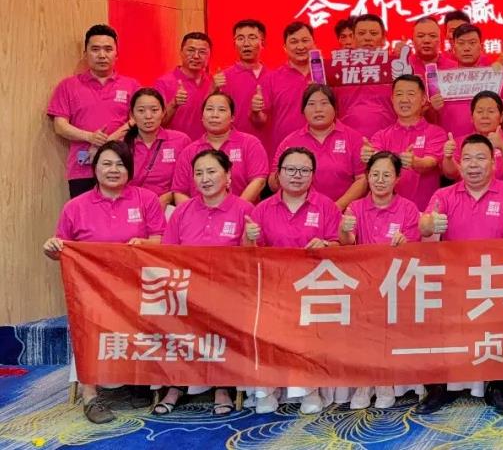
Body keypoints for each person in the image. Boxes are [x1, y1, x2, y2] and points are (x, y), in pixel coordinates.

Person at [43, 141, 163, 423]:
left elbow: (162, 240)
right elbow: (62, 249)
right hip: (91, 290)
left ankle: (138, 381)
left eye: (120, 164)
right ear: (94, 169)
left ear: (129, 169)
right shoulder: (75, 207)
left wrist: (144, 244)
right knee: (88, 323)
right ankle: (90, 396)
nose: (113, 170)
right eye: (106, 164)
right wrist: (51, 248)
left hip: (137, 285)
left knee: (150, 314)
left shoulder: (146, 199)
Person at [416, 135, 503, 416]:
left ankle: (499, 388)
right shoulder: (443, 196)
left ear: (493, 163)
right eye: (466, 159)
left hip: (496, 280)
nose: (473, 165)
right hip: (453, 281)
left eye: (480, 158)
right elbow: (426, 231)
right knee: (431, 316)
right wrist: (429, 227)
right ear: (459, 163)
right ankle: (438, 389)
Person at [154, 149, 252, 417]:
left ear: (228, 176)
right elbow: (168, 255)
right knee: (172, 318)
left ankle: (222, 387)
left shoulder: (244, 210)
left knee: (223, 318)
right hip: (188, 291)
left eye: (211, 172)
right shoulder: (183, 211)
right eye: (199, 173)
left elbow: (251, 258)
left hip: (230, 292)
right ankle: (175, 386)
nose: (205, 178)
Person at [245, 147, 342, 415]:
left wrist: (326, 245)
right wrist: (249, 238)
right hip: (272, 287)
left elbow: (340, 246)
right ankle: (266, 391)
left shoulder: (326, 207)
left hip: (313, 287)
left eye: (304, 170)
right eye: (290, 169)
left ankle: (310, 390)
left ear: (313, 175)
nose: (297, 175)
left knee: (308, 337)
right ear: (278, 174)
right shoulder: (262, 209)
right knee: (267, 333)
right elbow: (249, 253)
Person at [339, 150, 421, 410]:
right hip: (363, 282)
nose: (380, 180)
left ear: (397, 178)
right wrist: (344, 230)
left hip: (396, 283)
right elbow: (347, 243)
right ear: (367, 177)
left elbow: (414, 252)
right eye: (375, 174)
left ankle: (385, 382)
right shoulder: (355, 208)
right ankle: (365, 382)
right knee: (364, 324)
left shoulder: (408, 209)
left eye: (387, 175)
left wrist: (405, 243)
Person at [48, 24, 140, 197]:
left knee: (121, 212)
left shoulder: (131, 85)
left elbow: (137, 120)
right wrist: (90, 137)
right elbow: (60, 126)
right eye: (95, 49)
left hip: (120, 166)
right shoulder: (68, 86)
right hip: (83, 169)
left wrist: (109, 141)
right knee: (83, 213)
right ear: (85, 54)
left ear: (116, 54)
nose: (102, 55)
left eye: (108, 49)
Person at [270, 84, 366, 210]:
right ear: (303, 110)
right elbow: (273, 184)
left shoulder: (353, 138)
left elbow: (362, 179)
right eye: (311, 104)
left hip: (344, 212)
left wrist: (336, 208)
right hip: (300, 212)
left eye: (324, 103)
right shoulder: (289, 142)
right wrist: (284, 172)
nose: (318, 109)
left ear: (335, 108)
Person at [366, 74, 448, 211]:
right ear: (392, 99)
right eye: (399, 94)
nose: (404, 99)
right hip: (386, 213)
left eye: (411, 94)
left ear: (423, 99)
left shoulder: (436, 133)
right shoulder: (381, 136)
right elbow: (374, 158)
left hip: (424, 213)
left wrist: (415, 162)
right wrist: (367, 156)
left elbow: (430, 162)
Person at [172, 92, 268, 205]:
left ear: (232, 117)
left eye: (221, 110)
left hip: (242, 213)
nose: (214, 115)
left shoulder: (250, 143)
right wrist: (196, 213)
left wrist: (235, 209)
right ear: (202, 117)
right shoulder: (189, 151)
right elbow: (179, 192)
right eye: (209, 109)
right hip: (199, 215)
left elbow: (258, 181)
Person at [254, 21, 317, 154]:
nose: (300, 46)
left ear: (314, 43)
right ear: (285, 47)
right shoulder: (272, 78)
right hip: (286, 151)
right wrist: (255, 111)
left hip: (322, 149)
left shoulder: (326, 74)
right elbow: (260, 121)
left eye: (305, 40)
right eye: (294, 42)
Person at [124, 88, 190, 208]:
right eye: (141, 111)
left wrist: (168, 197)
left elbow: (187, 181)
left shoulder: (181, 141)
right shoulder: (122, 144)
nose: (148, 116)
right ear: (132, 115)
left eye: (154, 110)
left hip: (168, 207)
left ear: (163, 112)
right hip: (131, 206)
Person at [213, 19, 271, 151]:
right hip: (233, 149)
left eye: (252, 38)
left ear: (263, 42)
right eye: (240, 38)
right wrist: (213, 89)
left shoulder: (274, 76)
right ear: (234, 44)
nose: (246, 44)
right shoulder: (223, 78)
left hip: (268, 147)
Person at [441, 92, 503, 182]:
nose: (485, 116)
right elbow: (451, 174)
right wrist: (448, 158)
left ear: (501, 117)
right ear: (472, 117)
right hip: (467, 191)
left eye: (491, 111)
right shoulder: (460, 142)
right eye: (479, 112)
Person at [337, 14, 397, 138]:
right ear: (353, 38)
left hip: (389, 140)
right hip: (347, 141)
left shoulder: (396, 67)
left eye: (373, 33)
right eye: (362, 33)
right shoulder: (337, 70)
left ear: (383, 39)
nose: (367, 38)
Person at [427, 23, 492, 139]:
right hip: (450, 144)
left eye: (472, 43)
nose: (467, 48)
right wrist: (432, 108)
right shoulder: (440, 80)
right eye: (461, 43)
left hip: (484, 144)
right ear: (453, 47)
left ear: (481, 47)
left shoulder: (492, 78)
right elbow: (429, 120)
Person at [156, 32, 213, 142]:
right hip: (175, 146)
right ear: (181, 52)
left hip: (207, 147)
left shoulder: (213, 83)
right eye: (191, 50)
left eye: (202, 52)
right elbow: (157, 123)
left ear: (209, 55)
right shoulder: (164, 83)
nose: (196, 56)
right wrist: (174, 103)